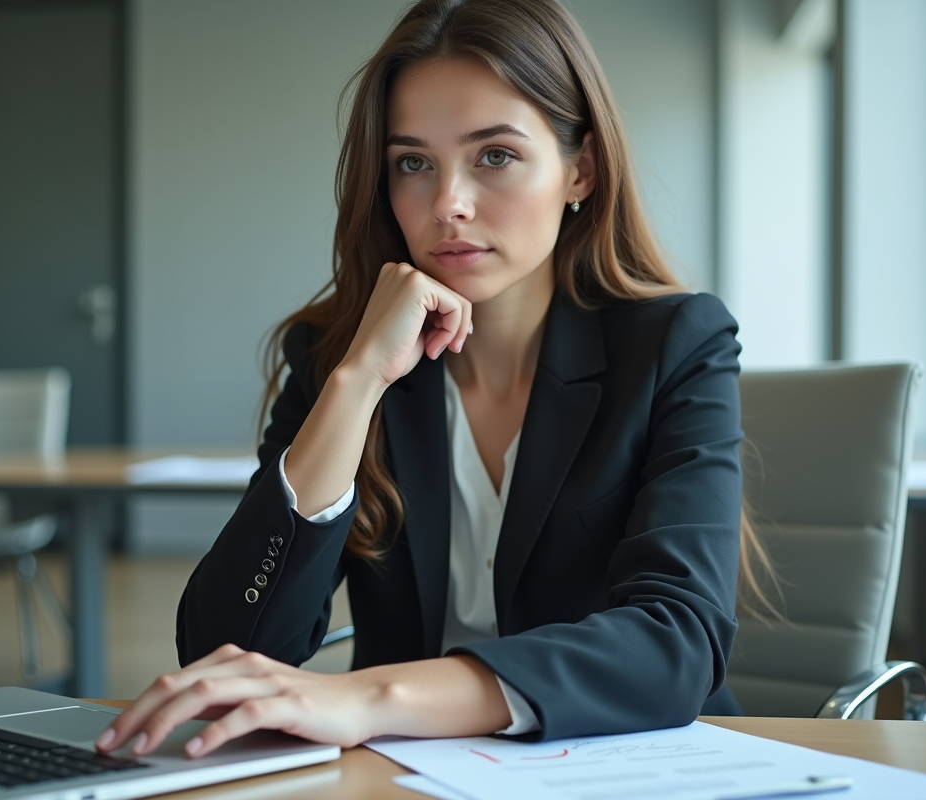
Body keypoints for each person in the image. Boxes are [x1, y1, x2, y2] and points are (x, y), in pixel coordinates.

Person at [97, 0, 759, 759]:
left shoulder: (676, 343)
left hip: (631, 763)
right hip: (402, 775)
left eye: (495, 156)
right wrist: (355, 383)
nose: (448, 203)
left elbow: (677, 641)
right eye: (413, 163)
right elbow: (229, 645)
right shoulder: (334, 356)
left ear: (580, 170)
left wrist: (372, 695)